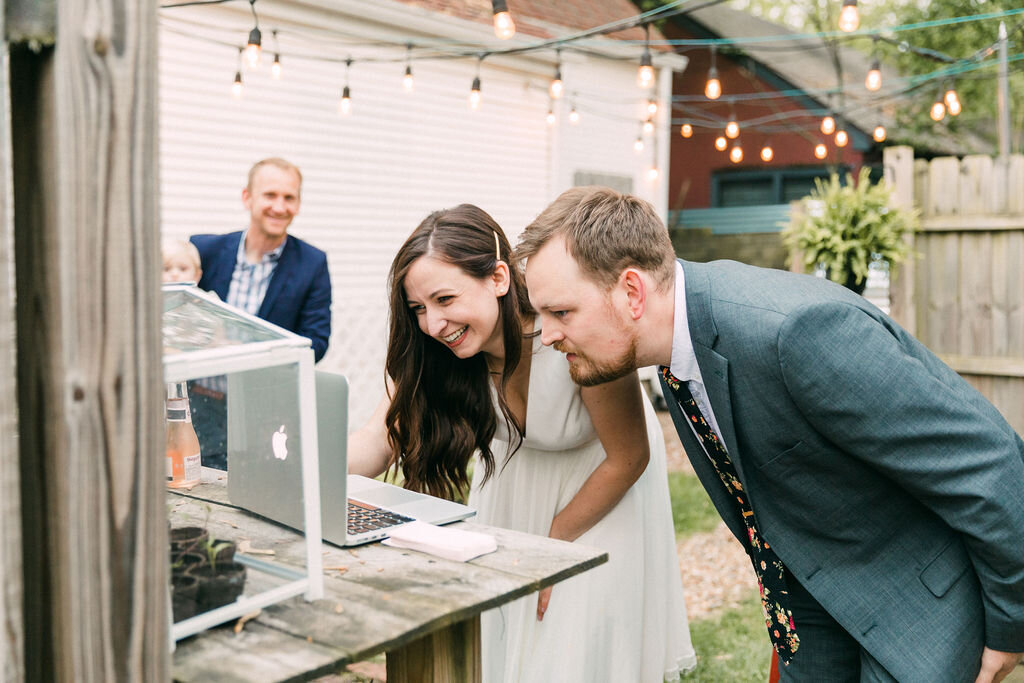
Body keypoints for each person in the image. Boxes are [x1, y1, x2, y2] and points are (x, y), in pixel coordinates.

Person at [517, 185, 1024, 683]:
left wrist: (1009, 627)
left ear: (631, 292)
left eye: (561, 312)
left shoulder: (796, 332)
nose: (550, 334)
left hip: (921, 616)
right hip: (811, 613)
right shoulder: (668, 347)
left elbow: (990, 464)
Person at [348, 205, 696, 682]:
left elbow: (630, 456)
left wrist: (551, 546)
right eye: (419, 309)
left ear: (497, 277)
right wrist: (315, 475)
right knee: (501, 648)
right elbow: (377, 436)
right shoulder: (437, 353)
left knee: (572, 650)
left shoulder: (569, 333)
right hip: (513, 493)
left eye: (445, 299)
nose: (433, 324)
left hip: (598, 494)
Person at [189, 157, 332, 469]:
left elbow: (317, 342)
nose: (279, 207)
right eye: (270, 195)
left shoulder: (312, 263)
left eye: (289, 197)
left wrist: (251, 349)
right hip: (198, 404)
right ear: (247, 197)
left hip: (264, 412)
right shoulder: (204, 250)